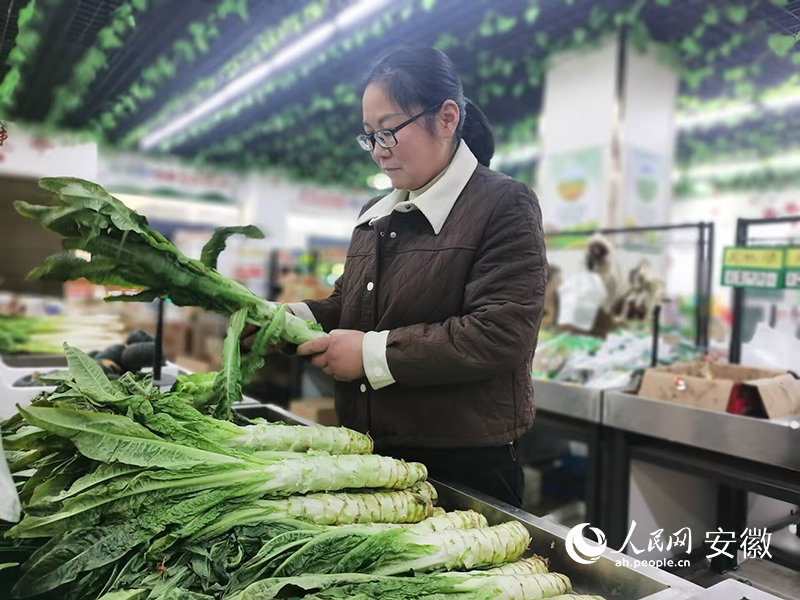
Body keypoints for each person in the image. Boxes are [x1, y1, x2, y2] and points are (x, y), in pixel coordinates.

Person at [291, 47, 547, 507]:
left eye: (388, 132)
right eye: (369, 136)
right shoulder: (375, 213)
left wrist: (372, 353)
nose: (378, 153)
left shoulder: (503, 204)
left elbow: (499, 333)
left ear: (447, 118)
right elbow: (347, 305)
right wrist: (285, 320)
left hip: (461, 464)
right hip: (371, 452)